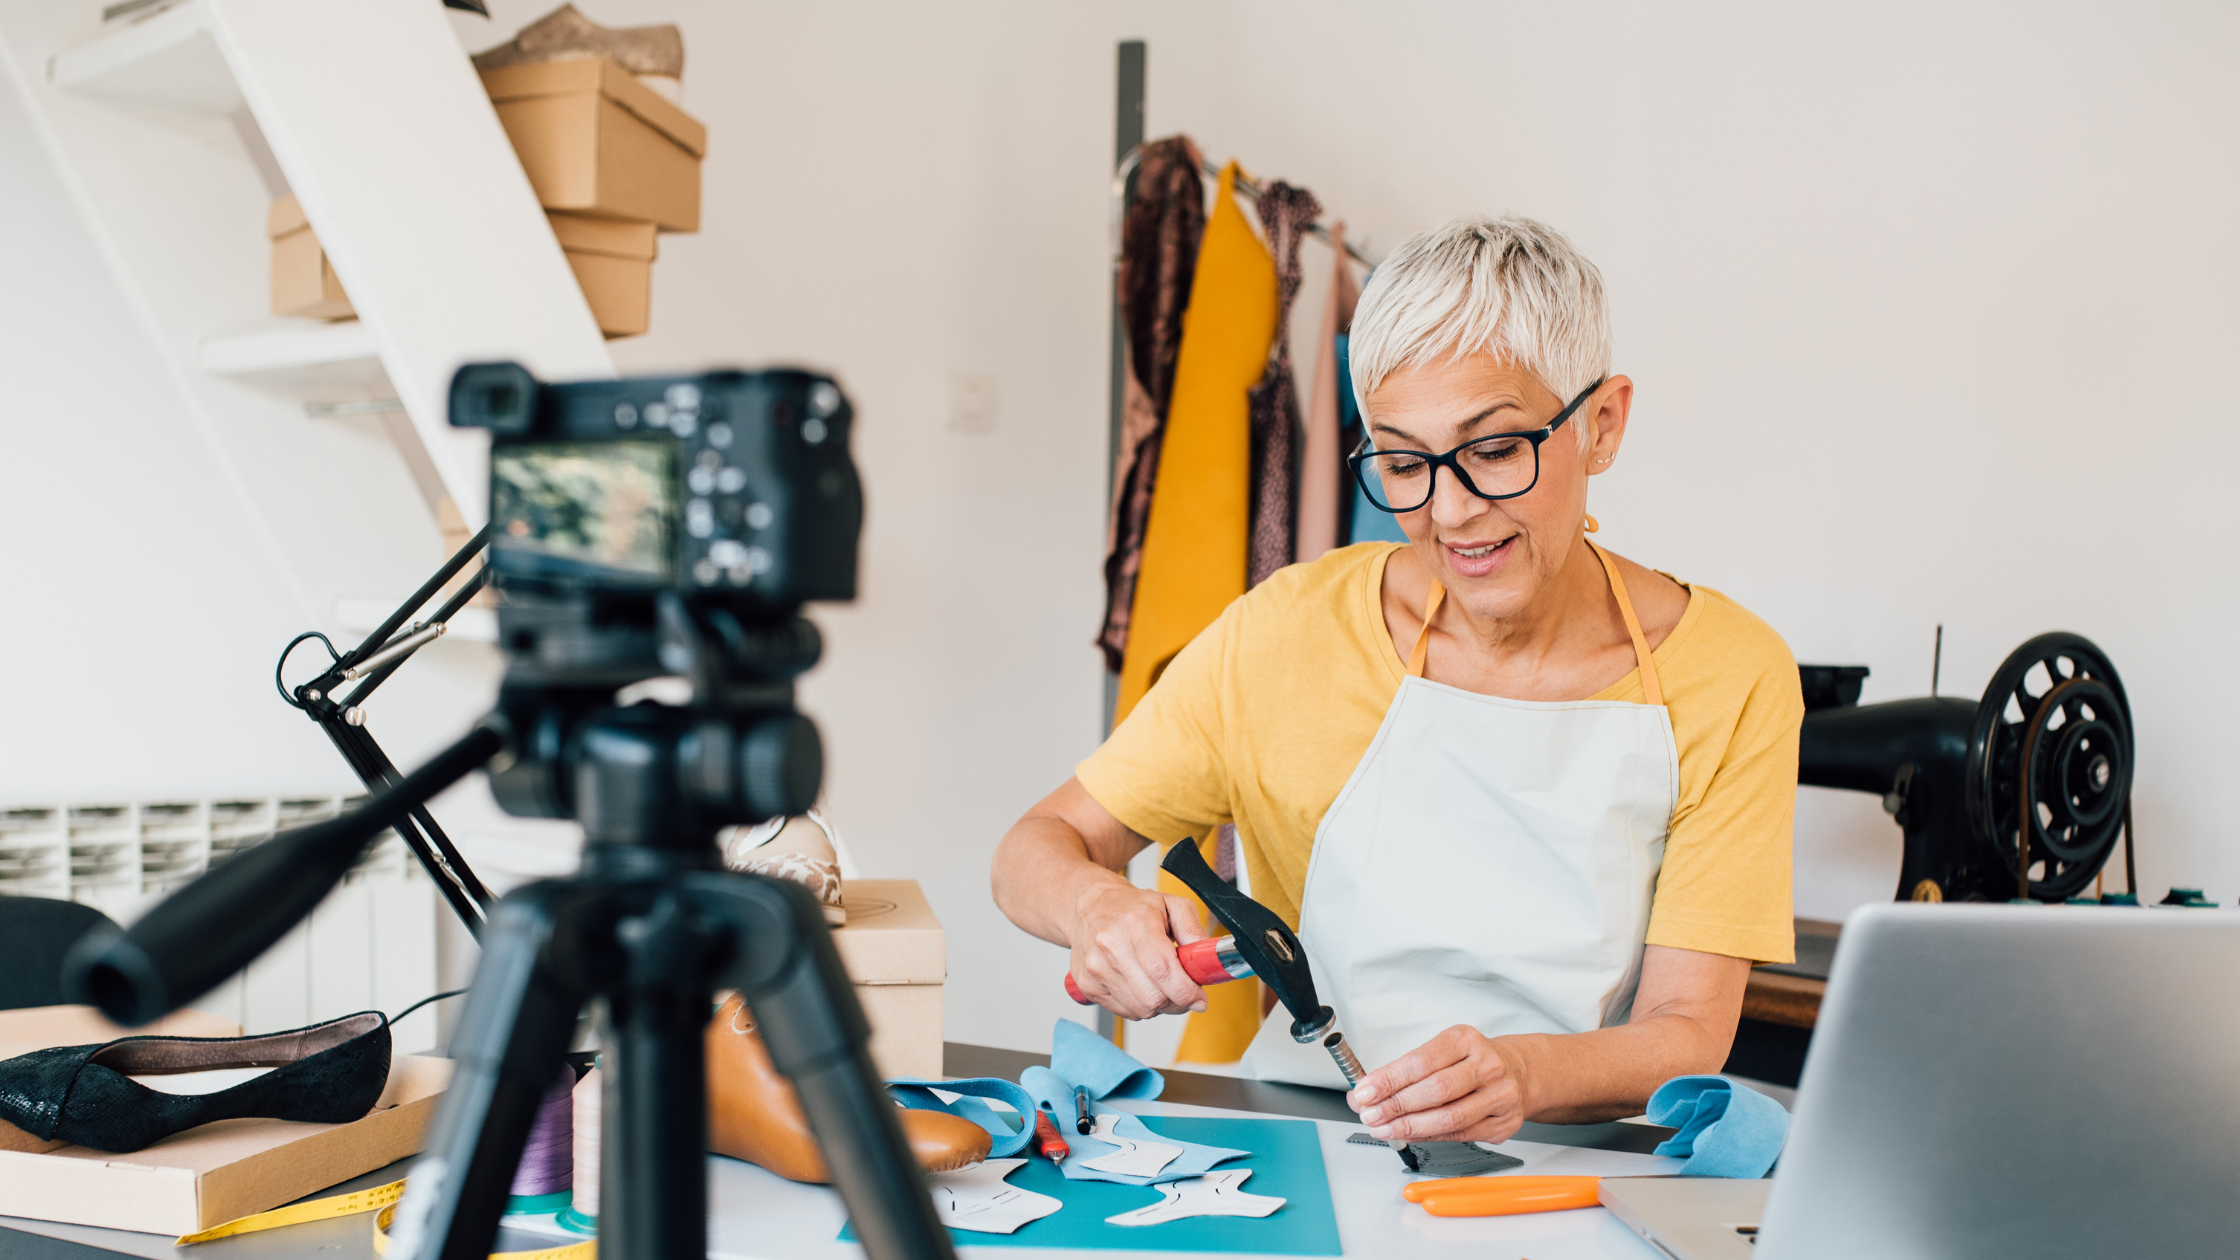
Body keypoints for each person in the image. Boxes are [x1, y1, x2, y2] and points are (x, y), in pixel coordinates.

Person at [992, 215, 1801, 1145]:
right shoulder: (1288, 632)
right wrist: (1098, 907)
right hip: (1307, 1129)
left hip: (1571, 1157)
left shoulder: (1729, 672)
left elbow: (1688, 1031)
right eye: (1405, 462)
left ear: (1603, 423)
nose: (1450, 513)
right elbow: (1032, 847)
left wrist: (1525, 1072)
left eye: (1496, 450)